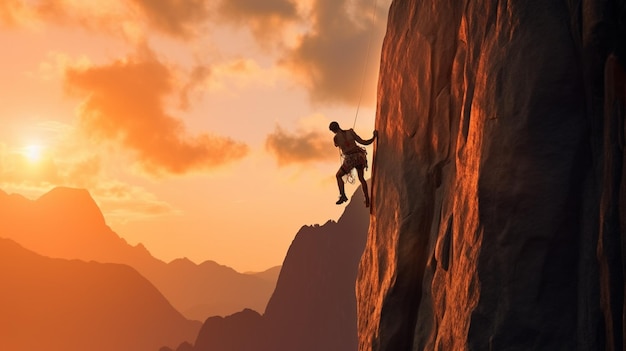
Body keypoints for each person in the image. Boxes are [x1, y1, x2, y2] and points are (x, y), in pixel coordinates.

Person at [329, 121, 378, 207]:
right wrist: (373, 137)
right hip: (359, 156)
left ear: (333, 130)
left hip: (349, 159)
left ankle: (343, 195)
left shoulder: (336, 138)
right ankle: (366, 199)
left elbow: (336, 145)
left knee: (338, 175)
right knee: (361, 178)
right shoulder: (350, 132)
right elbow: (364, 142)